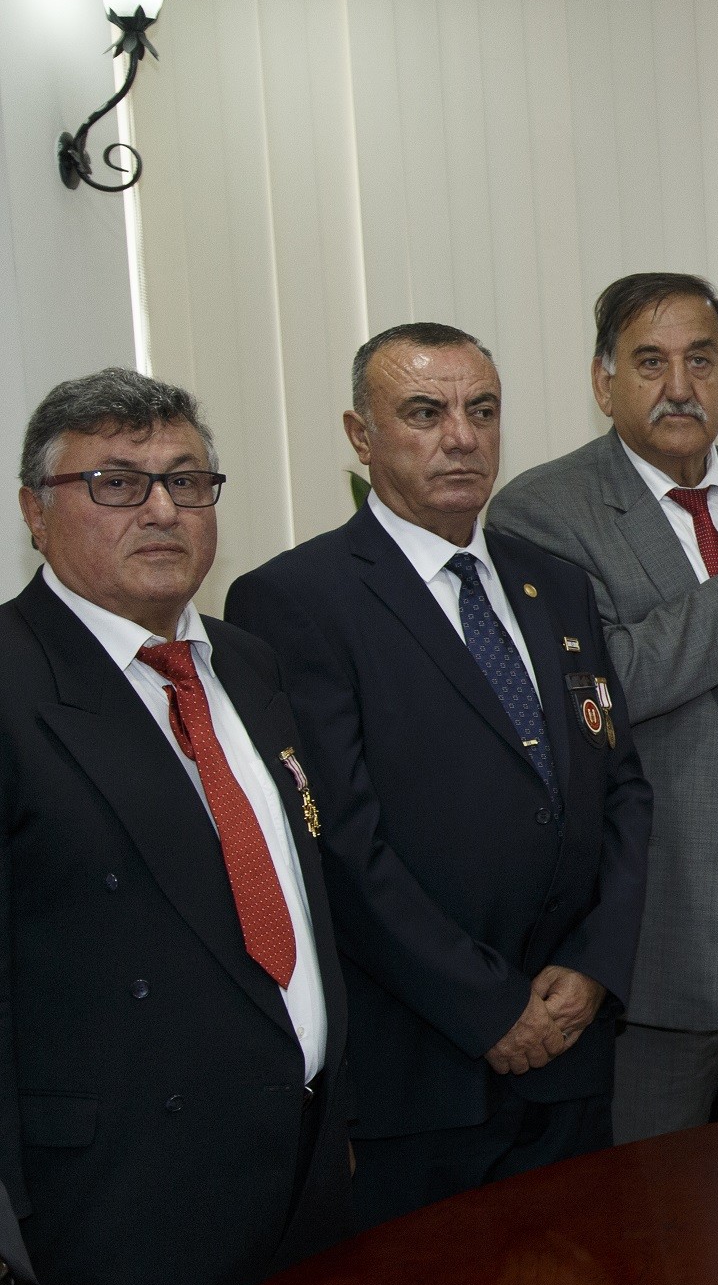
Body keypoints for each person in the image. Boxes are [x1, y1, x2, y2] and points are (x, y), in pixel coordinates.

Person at [0, 370, 350, 1285]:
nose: (162, 510)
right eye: (117, 481)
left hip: (291, 1217)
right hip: (101, 1245)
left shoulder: (242, 663)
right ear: (33, 509)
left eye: (187, 481)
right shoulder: (12, 683)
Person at [225, 324, 651, 1227]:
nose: (461, 436)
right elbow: (340, 841)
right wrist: (492, 1007)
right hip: (422, 1070)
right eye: (425, 412)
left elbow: (621, 788)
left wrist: (594, 967)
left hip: (573, 1050)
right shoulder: (296, 600)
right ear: (360, 434)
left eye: (482, 411)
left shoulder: (556, 585)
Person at [488, 273, 718, 1142]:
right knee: (657, 1202)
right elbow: (596, 693)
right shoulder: (541, 511)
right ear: (604, 383)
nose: (679, 386)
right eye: (650, 362)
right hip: (662, 913)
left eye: (700, 360)